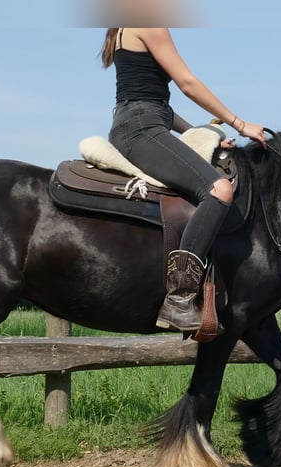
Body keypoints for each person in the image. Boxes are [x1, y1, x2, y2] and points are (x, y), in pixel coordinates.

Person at [100, 27, 268, 332]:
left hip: (143, 122)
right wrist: (240, 124)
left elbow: (154, 103)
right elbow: (188, 84)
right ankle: (178, 300)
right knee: (219, 189)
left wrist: (201, 133)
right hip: (142, 129)